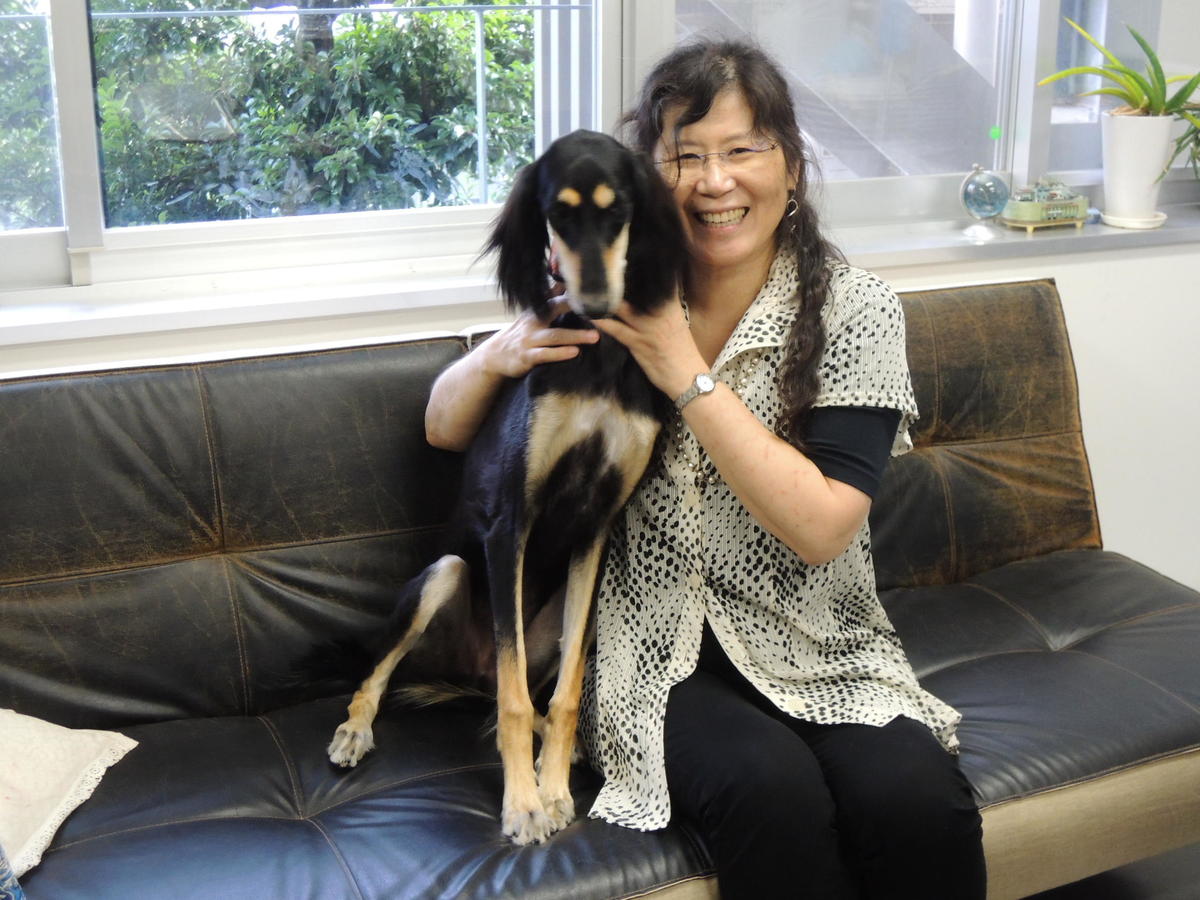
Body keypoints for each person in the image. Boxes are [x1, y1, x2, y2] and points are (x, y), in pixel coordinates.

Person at [426, 37, 986, 900]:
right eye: (685, 157)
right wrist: (497, 354)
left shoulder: (856, 310)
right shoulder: (612, 287)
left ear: (790, 168)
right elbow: (444, 428)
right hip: (654, 651)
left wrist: (684, 368)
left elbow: (823, 526)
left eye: (742, 151)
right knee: (771, 797)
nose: (714, 182)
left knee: (915, 800)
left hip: (818, 641)